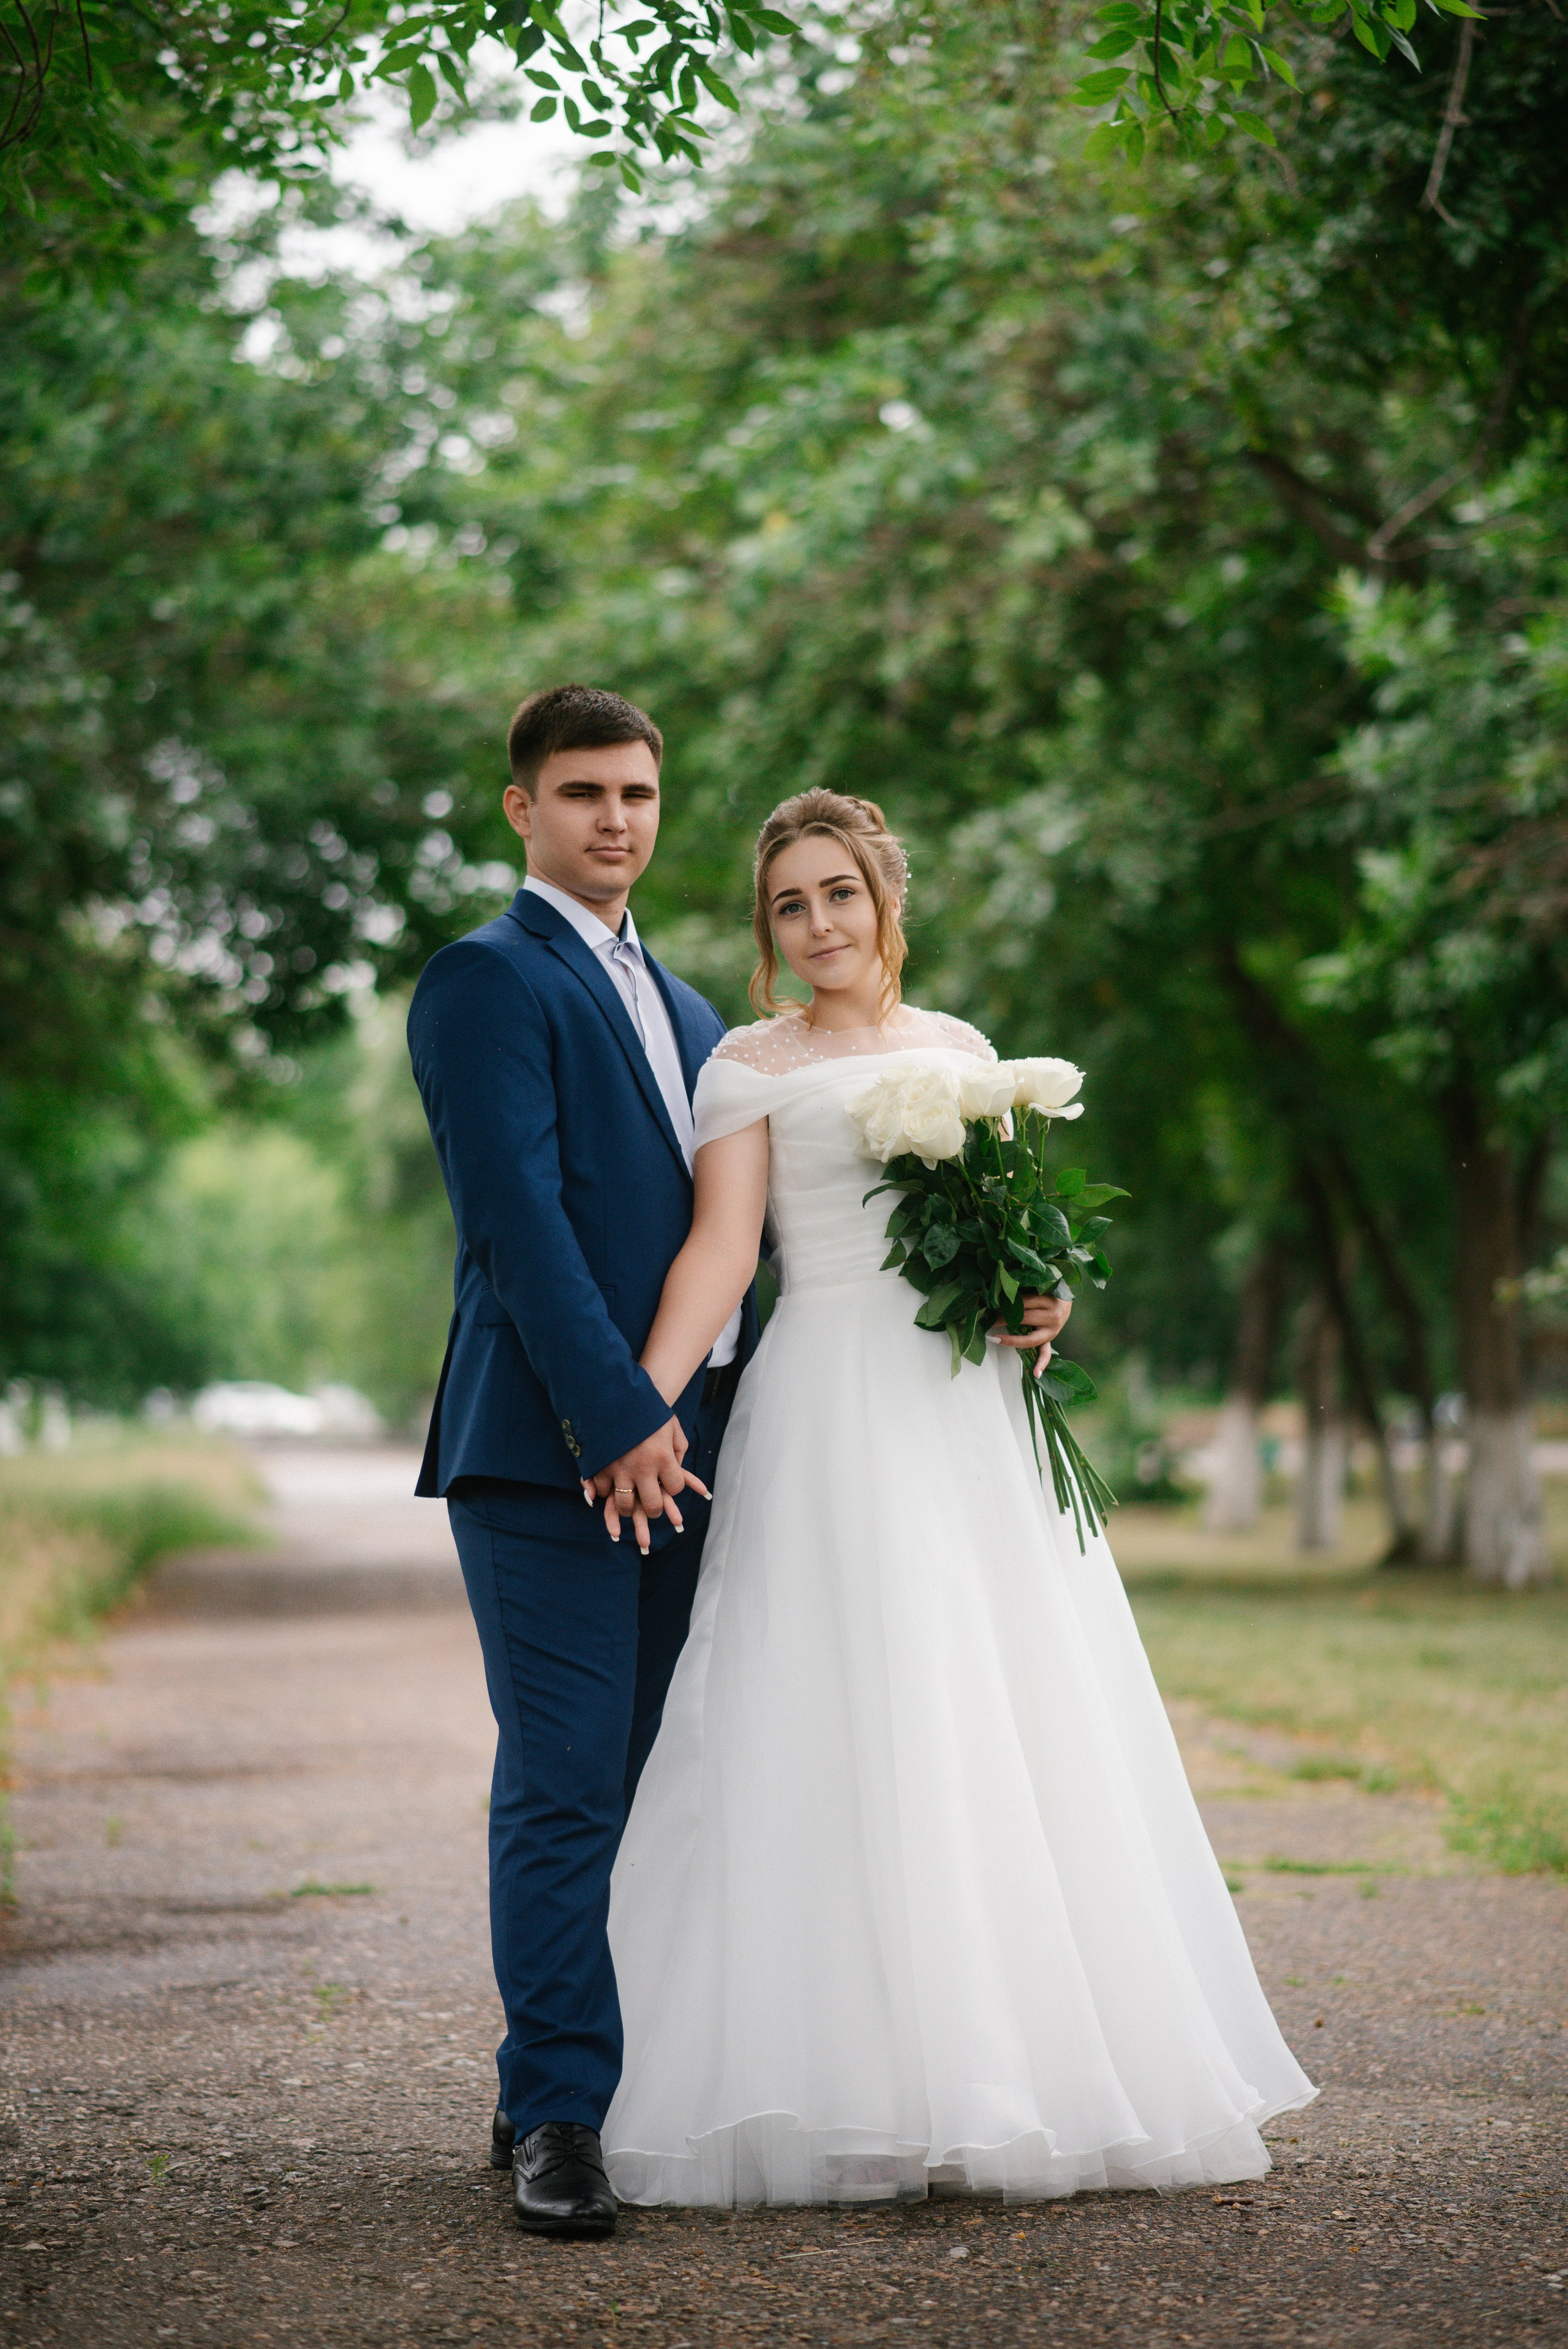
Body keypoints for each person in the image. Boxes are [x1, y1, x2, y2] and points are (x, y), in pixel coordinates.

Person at [590, 787, 1317, 2206]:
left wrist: (1040, 1300)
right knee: (826, 1709)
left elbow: (1003, 1244)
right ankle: (845, 2078)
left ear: (884, 902)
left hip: (966, 1412)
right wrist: (639, 1405)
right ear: (767, 930)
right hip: (827, 1408)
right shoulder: (742, 1066)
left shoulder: (965, 1054)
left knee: (999, 1706)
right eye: (788, 905)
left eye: (837, 894)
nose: (816, 924)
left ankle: (1013, 2070)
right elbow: (722, 1255)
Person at [407, 684, 764, 2239]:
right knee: (562, 1780)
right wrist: (613, 1417)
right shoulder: (485, 979)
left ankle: (540, 2074)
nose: (614, 819)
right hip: (545, 1448)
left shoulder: (693, 1012)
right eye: (581, 792)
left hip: (697, 1454)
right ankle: (558, 2116)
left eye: (636, 793)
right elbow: (515, 1218)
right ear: (522, 808)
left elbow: (738, 1233)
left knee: (637, 1778)